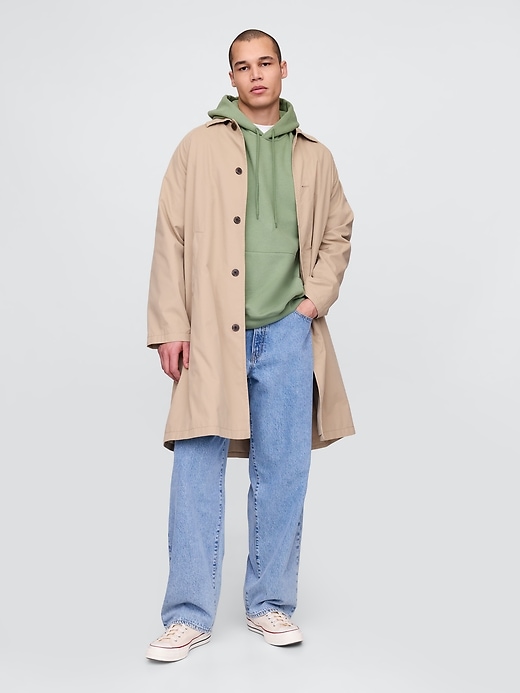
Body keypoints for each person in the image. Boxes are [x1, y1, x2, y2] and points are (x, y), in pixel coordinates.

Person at [145, 28, 355, 662]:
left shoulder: (316, 157)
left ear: (284, 69)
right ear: (231, 77)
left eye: (266, 63)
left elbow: (338, 230)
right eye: (243, 66)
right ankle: (188, 615)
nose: (256, 74)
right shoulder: (197, 147)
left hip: (288, 330)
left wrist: (314, 300)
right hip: (211, 331)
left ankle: (270, 604)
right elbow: (170, 236)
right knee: (196, 467)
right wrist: (171, 325)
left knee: (283, 470)